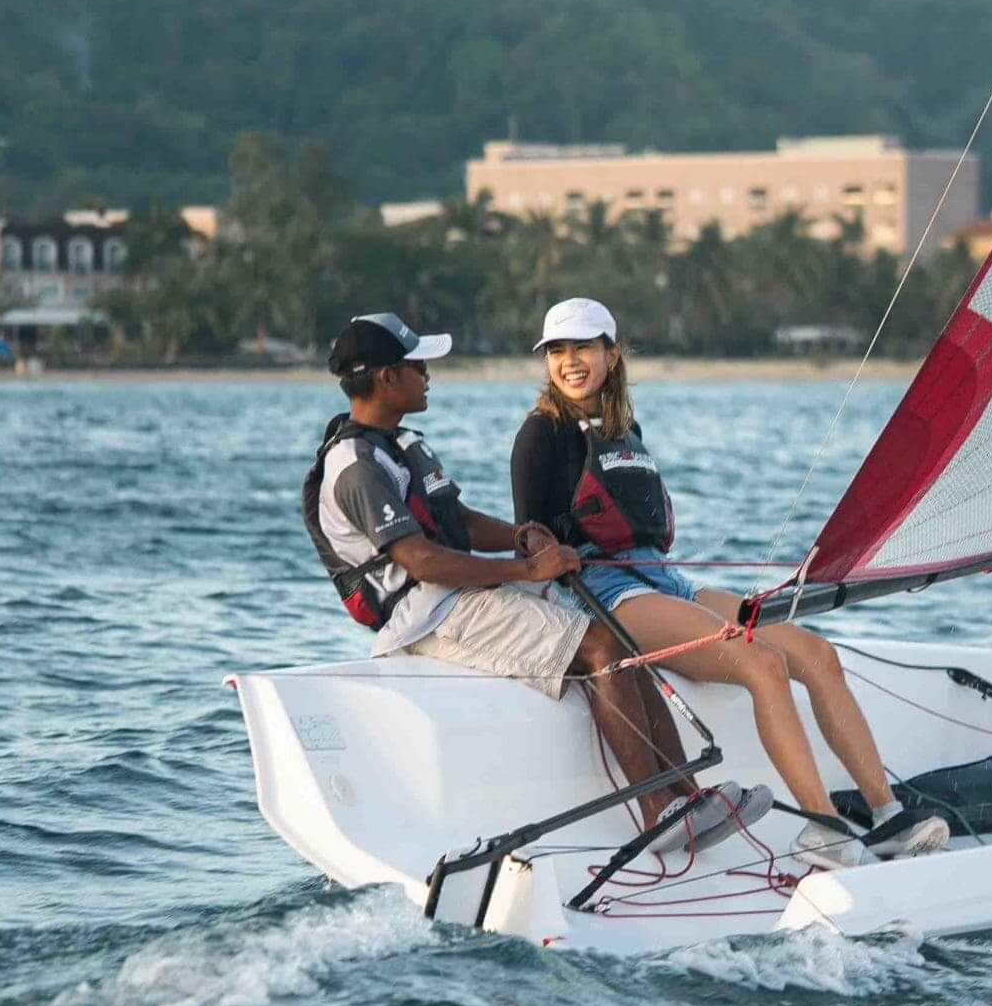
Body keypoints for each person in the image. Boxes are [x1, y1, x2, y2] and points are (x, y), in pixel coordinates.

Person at [305, 312, 770, 857]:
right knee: (601, 646)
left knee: (614, 634)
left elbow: (458, 519)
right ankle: (655, 813)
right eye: (417, 364)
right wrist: (527, 572)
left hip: (456, 594)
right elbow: (423, 560)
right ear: (387, 378)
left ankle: (685, 795)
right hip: (428, 616)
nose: (427, 373)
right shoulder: (356, 465)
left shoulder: (401, 443)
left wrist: (524, 535)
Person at [510, 297, 951, 870]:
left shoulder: (624, 427)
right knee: (761, 663)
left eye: (584, 348)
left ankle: (888, 816)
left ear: (612, 354)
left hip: (667, 580)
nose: (571, 361)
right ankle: (825, 828)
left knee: (815, 653)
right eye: (558, 351)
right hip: (609, 594)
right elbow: (529, 537)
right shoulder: (540, 435)